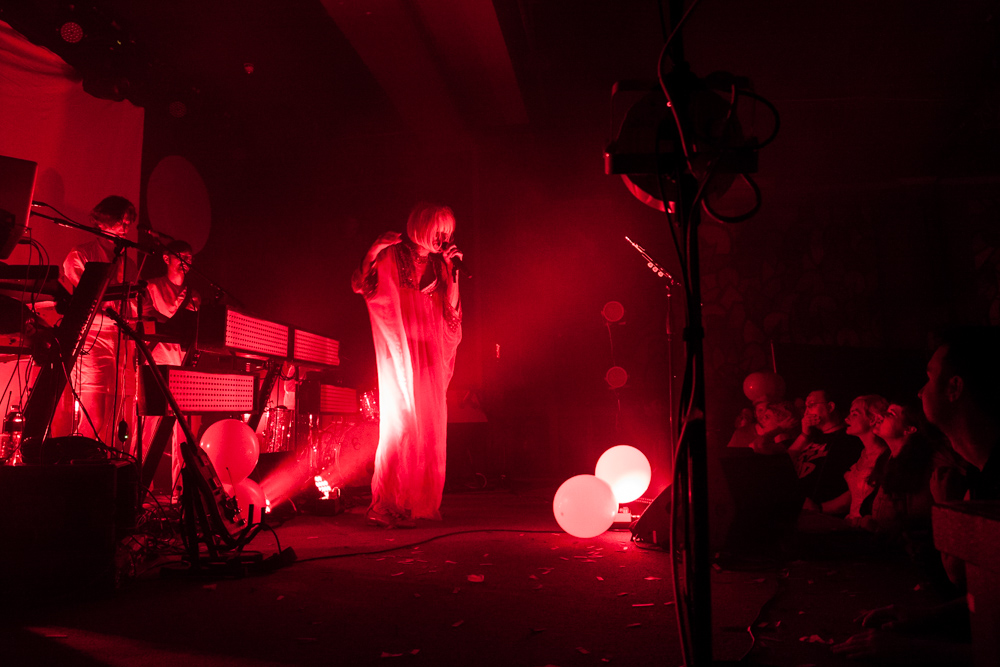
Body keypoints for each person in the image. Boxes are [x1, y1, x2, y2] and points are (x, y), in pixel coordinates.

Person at [833, 327, 1000, 665]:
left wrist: (912, 650)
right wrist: (919, 617)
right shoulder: (985, 476)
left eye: (928, 378)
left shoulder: (965, 478)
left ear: (954, 388)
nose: (920, 390)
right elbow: (991, 594)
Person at [352, 203, 463, 528]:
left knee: (429, 425)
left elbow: (452, 316)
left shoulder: (443, 267)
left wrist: (453, 273)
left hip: (429, 353)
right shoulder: (393, 254)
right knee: (401, 425)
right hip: (400, 350)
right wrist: (374, 248)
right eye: (438, 231)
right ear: (422, 227)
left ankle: (417, 502)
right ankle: (387, 503)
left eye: (448, 233)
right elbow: (364, 284)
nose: (443, 238)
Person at [54, 195, 137, 447]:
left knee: (120, 416)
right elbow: (85, 302)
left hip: (120, 343)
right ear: (104, 221)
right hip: (92, 341)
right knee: (95, 414)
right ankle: (78, 467)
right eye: (120, 220)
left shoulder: (128, 262)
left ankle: (104, 470)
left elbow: (133, 307)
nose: (125, 226)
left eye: (128, 221)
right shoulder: (81, 255)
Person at [142, 240, 200, 500]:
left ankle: (181, 492)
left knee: (183, 432)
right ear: (166, 258)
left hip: (182, 365)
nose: (185, 260)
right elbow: (145, 319)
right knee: (149, 426)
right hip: (153, 362)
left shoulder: (193, 294)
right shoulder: (151, 286)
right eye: (181, 256)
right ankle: (143, 489)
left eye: (189, 256)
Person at [786, 389, 864, 511]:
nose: (806, 412)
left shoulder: (849, 439)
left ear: (830, 406)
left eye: (811, 405)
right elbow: (785, 462)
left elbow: (859, 487)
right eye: (805, 407)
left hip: (820, 515)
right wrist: (804, 435)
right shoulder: (810, 437)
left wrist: (820, 508)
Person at [836, 395, 890, 520]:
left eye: (854, 414)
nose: (847, 419)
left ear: (873, 419)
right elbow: (854, 495)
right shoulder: (863, 454)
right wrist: (820, 508)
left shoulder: (885, 458)